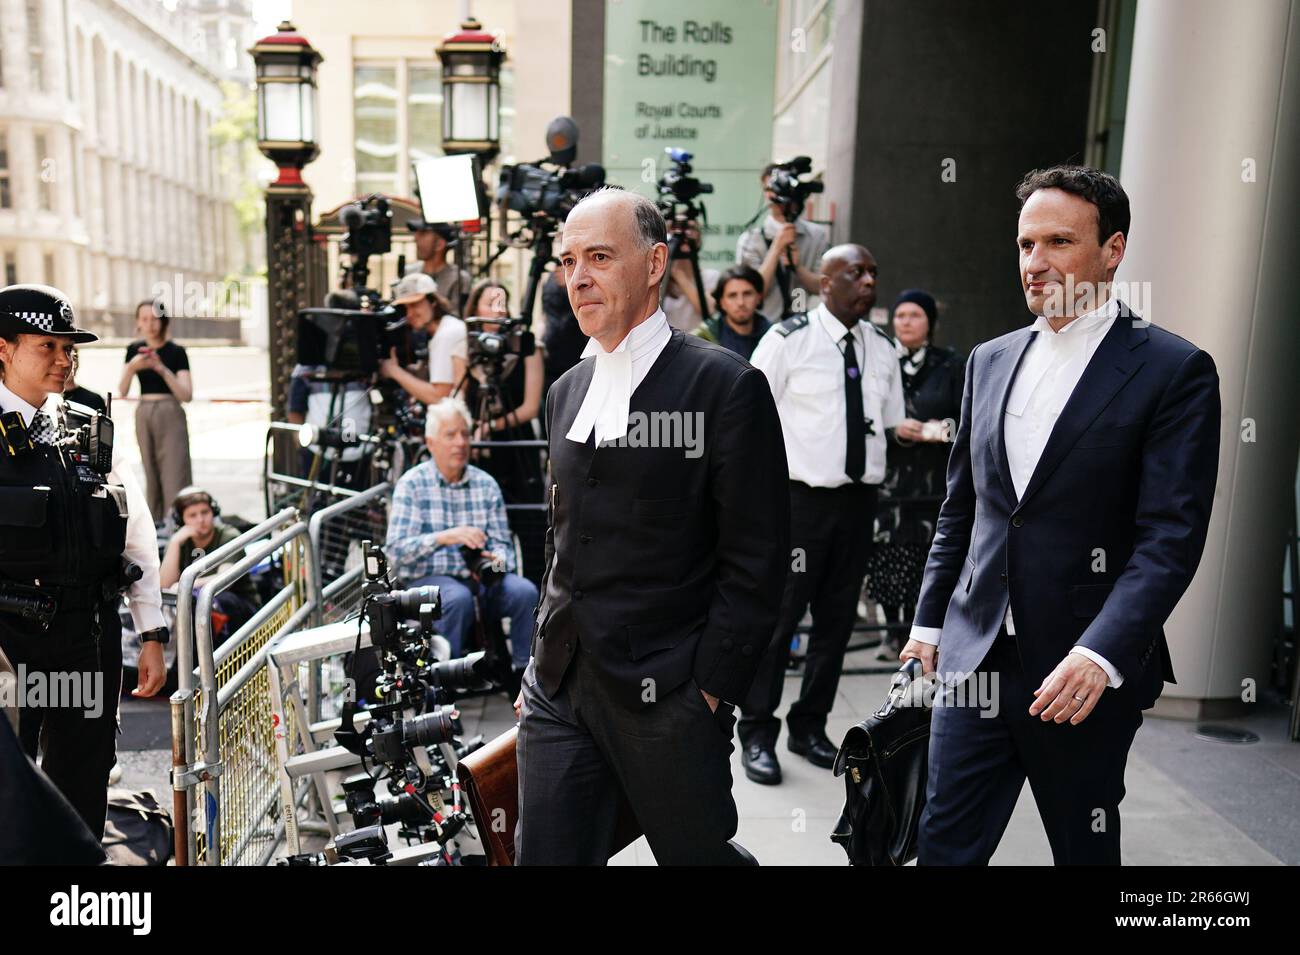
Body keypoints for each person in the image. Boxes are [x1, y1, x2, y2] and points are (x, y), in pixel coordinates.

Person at [902, 165, 1221, 865]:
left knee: (1084, 848)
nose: (1035, 263)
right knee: (941, 849)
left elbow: (1170, 535)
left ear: (1113, 250)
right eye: (1024, 244)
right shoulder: (989, 359)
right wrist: (928, 623)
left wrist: (1101, 651)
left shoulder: (1173, 369)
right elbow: (966, 508)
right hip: (974, 658)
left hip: (1083, 674)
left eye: (1058, 242)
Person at [516, 187, 790, 865]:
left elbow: (758, 559)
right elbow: (560, 535)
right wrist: (539, 659)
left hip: (666, 692)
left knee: (697, 856)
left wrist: (706, 689)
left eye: (600, 256)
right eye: (568, 260)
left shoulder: (725, 386)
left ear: (654, 262)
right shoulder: (565, 391)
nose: (578, 276)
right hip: (558, 687)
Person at [0, 284, 168, 840]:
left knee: (82, 783)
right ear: (4, 348)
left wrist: (150, 631)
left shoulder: (89, 424)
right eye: (46, 345)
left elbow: (135, 529)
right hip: (9, 647)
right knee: (10, 791)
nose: (62, 358)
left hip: (86, 637)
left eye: (68, 347)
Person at [739, 244, 905, 786]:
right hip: (798, 503)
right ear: (825, 282)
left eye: (873, 271)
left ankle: (808, 726)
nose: (868, 281)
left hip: (859, 503)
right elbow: (748, 420)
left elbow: (892, 422)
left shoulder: (881, 346)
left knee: (837, 623)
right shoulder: (788, 341)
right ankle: (757, 732)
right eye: (856, 272)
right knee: (780, 619)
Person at [384, 397, 538, 674]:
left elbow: (505, 547)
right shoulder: (412, 485)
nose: (460, 443)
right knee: (456, 598)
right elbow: (396, 551)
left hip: (483, 580)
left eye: (465, 434)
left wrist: (496, 560)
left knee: (525, 593)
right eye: (451, 435)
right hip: (431, 580)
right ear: (430, 443)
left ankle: (525, 678)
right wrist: (445, 537)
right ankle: (442, 682)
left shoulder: (485, 484)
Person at [866, 289, 965, 657]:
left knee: (927, 554)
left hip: (932, 479)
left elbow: (966, 420)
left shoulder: (951, 365)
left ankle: (921, 630)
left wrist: (937, 430)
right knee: (888, 553)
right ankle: (890, 634)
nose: (906, 322)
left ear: (929, 323)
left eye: (915, 315)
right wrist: (894, 428)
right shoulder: (879, 362)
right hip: (890, 481)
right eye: (900, 315)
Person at [462, 279, 545, 507]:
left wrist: (489, 427)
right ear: (475, 309)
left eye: (502, 303)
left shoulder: (528, 349)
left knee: (526, 516)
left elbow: (530, 408)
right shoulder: (466, 349)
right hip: (477, 448)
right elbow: (458, 397)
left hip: (517, 444)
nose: (497, 310)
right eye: (490, 303)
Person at [119, 299, 193, 522]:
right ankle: (156, 526)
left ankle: (178, 522)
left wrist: (160, 367)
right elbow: (122, 390)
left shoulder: (176, 351)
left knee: (175, 471)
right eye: (144, 319)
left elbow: (186, 395)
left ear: (163, 321)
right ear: (137, 323)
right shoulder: (133, 350)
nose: (150, 324)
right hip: (144, 410)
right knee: (151, 473)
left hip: (170, 409)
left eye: (154, 319)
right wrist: (133, 367)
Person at [160, 487, 259, 648]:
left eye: (205, 512)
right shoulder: (181, 541)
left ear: (213, 512)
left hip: (237, 608)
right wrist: (175, 542)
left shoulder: (229, 535)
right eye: (192, 515)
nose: (200, 519)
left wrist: (186, 584)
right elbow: (164, 584)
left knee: (206, 603)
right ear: (181, 520)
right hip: (201, 614)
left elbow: (224, 580)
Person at [735, 163, 831, 319]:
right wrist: (776, 248)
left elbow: (823, 287)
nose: (776, 194)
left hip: (803, 325)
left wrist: (798, 268)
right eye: (770, 188)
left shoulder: (816, 235)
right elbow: (750, 292)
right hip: (763, 329)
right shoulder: (750, 240)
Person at [379, 272, 468, 406]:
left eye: (415, 305)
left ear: (432, 301)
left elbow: (439, 397)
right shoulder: (445, 327)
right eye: (405, 308)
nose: (410, 314)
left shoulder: (446, 333)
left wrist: (394, 371)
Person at [691, 265, 772, 360]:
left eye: (747, 294)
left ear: (759, 298)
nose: (740, 302)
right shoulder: (701, 339)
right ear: (722, 302)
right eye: (732, 296)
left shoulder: (774, 335)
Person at [660, 218, 719, 333]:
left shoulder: (711, 277)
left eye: (690, 228)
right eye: (675, 228)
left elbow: (709, 310)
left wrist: (678, 275)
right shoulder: (659, 280)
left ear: (699, 238)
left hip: (700, 344)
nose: (683, 234)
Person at [406, 218, 470, 312]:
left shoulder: (458, 278)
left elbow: (457, 317)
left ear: (439, 244)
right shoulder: (408, 273)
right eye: (416, 233)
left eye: (423, 233)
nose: (416, 238)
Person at [63, 345, 105, 414]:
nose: (67, 364)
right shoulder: (45, 400)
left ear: (77, 364)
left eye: (73, 360)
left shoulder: (95, 400)